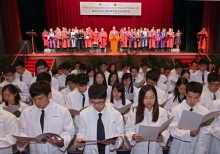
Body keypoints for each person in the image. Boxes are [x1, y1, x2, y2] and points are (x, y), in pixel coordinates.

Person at [16, 81, 75, 154]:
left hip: (56, 151)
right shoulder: (26, 112)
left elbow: (69, 131)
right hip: (36, 151)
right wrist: (22, 141)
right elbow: (24, 131)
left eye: (40, 98)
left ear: (49, 95)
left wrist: (62, 141)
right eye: (33, 99)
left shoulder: (62, 110)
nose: (37, 102)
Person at [76, 84, 124, 154]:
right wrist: (80, 140)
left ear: (106, 98)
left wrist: (114, 141)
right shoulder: (84, 114)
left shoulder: (116, 114)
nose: (97, 106)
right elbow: (82, 133)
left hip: (109, 151)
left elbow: (120, 136)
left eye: (100, 102)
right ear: (89, 100)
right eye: (93, 103)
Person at [125, 85, 170, 154]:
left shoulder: (162, 112)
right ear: (141, 98)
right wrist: (133, 136)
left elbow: (166, 130)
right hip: (139, 149)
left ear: (156, 97)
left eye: (152, 97)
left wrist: (162, 136)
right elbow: (128, 129)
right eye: (145, 98)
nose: (149, 101)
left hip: (155, 149)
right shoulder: (135, 112)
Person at [169, 82, 210, 154]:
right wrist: (188, 133)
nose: (192, 101)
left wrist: (201, 151)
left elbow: (205, 134)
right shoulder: (176, 110)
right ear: (185, 93)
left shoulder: (204, 111)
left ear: (200, 96)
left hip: (196, 148)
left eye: (196, 98)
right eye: (189, 97)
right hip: (179, 148)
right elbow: (172, 130)